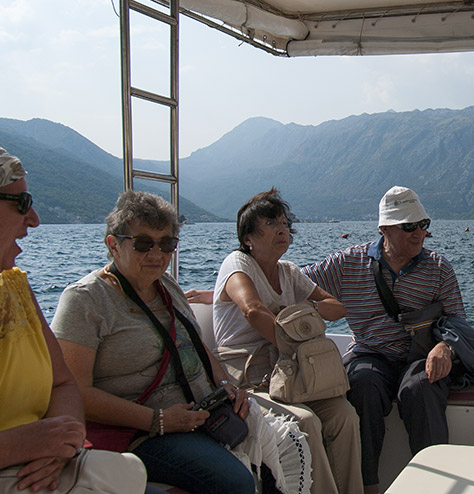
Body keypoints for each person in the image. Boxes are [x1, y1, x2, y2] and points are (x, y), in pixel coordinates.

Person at [51, 191, 311, 494]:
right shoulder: (86, 300)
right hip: (141, 432)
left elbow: (196, 346)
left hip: (201, 414)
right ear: (113, 245)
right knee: (236, 480)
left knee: (287, 445)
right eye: (143, 244)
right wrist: (158, 420)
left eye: (166, 244)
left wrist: (227, 386)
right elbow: (77, 392)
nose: (156, 254)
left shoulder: (166, 286)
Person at [0, 147, 147, 494]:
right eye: (22, 203)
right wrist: (18, 445)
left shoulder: (15, 287)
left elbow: (63, 383)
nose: (34, 219)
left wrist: (62, 444)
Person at [301, 186, 467, 494]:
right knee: (362, 384)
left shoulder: (439, 268)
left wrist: (444, 347)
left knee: (422, 386)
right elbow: (294, 283)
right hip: (370, 353)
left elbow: (458, 321)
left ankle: (436, 485)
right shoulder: (348, 263)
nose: (418, 233)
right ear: (384, 229)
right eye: (409, 226)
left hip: (420, 355)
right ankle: (366, 487)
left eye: (423, 224)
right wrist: (232, 286)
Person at [213, 188, 363, 494]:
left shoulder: (289, 272)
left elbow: (337, 307)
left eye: (284, 222)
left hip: (292, 373)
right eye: (271, 223)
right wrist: (298, 342)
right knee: (306, 422)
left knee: (344, 416)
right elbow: (253, 310)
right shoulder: (237, 264)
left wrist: (307, 309)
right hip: (249, 377)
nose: (282, 229)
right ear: (247, 237)